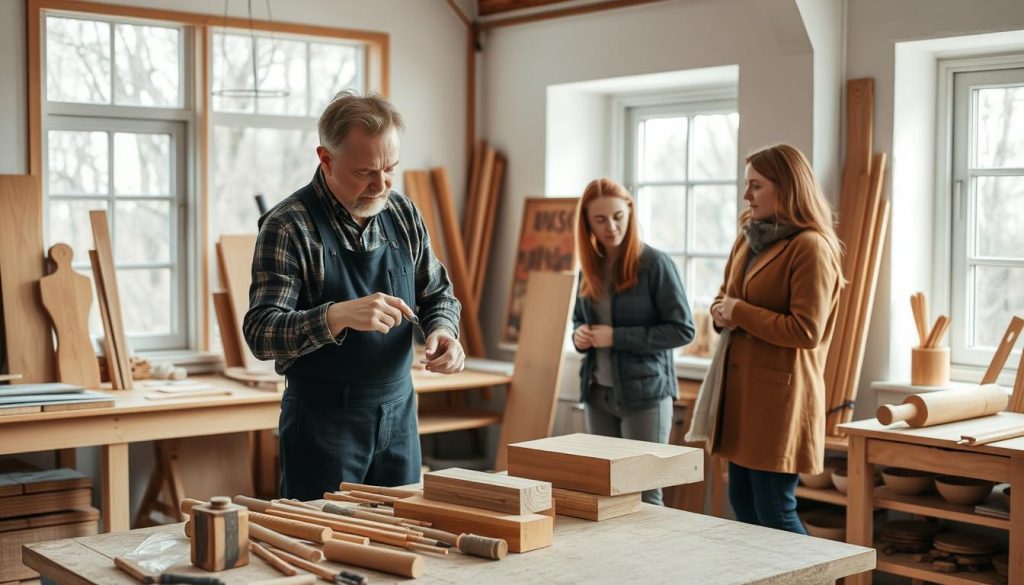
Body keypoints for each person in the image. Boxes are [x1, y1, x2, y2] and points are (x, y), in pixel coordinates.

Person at [243, 91, 466, 501]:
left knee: (402, 539)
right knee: (323, 547)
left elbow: (438, 295)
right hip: (323, 424)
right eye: (365, 172)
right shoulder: (288, 226)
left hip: (399, 415)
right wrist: (335, 316)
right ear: (325, 159)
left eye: (390, 170)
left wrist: (445, 332)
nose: (380, 185)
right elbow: (260, 332)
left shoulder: (402, 213)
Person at [710, 144, 842, 534]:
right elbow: (726, 296)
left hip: (778, 402)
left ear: (786, 188)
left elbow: (806, 330)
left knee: (775, 511)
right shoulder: (747, 236)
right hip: (740, 399)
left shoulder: (811, 247)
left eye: (756, 186)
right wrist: (722, 311)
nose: (746, 195)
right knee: (744, 506)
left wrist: (738, 313)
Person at [571, 177, 696, 506]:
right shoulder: (590, 269)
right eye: (600, 220)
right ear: (587, 224)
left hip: (647, 398)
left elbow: (683, 330)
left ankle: (654, 560)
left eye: (618, 216)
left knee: (645, 494)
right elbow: (578, 320)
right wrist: (579, 335)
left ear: (630, 212)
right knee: (605, 492)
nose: (611, 226)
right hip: (599, 395)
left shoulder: (655, 264)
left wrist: (616, 337)